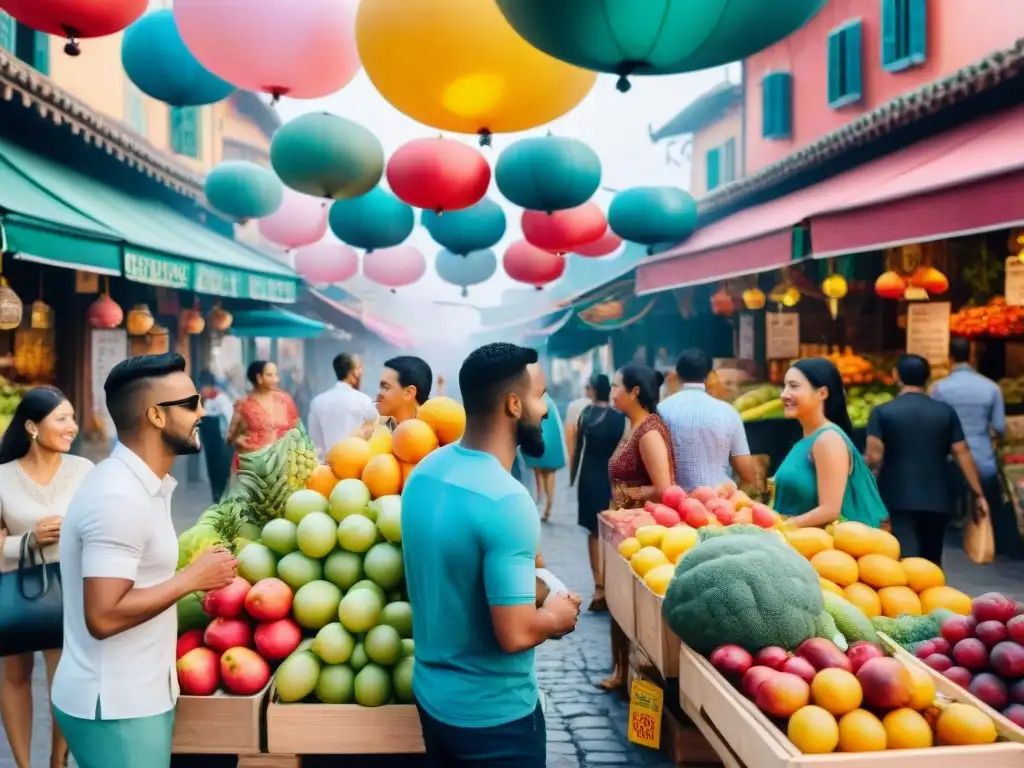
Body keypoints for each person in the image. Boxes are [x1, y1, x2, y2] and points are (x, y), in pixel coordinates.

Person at [52, 353, 238, 768]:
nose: (202, 413)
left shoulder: (139, 486)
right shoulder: (118, 497)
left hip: (133, 697)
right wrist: (192, 578)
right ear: (155, 415)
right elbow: (102, 615)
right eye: (190, 404)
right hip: (117, 705)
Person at [401, 342, 581, 767]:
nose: (546, 408)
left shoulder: (425, 471)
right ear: (514, 404)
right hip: (494, 721)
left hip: (431, 699)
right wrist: (558, 616)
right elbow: (515, 633)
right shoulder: (506, 500)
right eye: (540, 395)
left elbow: (459, 572)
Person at [0, 387, 93, 768]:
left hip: (68, 586)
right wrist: (28, 541)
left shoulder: (84, 470)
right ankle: (23, 765)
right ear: (32, 427)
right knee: (15, 675)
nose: (72, 426)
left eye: (72, 418)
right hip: (15, 589)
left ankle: (58, 760)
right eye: (62, 419)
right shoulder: (2, 477)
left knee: (64, 681)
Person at [865, 354, 988, 566]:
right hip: (937, 496)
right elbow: (962, 452)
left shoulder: (882, 412)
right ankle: (933, 597)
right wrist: (978, 493)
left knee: (904, 560)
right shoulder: (945, 412)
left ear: (896, 376)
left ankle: (909, 598)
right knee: (932, 559)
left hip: (896, 495)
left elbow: (874, 456)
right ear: (928, 378)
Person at [602, 362, 676, 690]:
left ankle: (636, 681)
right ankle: (620, 671)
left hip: (643, 531)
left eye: (617, 386)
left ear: (634, 392)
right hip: (624, 525)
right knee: (618, 601)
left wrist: (624, 495)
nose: (612, 392)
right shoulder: (632, 426)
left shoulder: (648, 431)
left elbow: (664, 488)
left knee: (634, 607)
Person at [773, 358, 888, 530]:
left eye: (794, 386)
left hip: (821, 550)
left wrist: (779, 528)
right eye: (785, 386)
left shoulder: (828, 440)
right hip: (798, 545)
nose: (784, 394)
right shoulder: (806, 440)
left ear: (822, 393)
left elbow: (830, 510)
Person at [931, 337, 1018, 557]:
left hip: (950, 461)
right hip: (984, 461)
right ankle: (986, 541)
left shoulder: (940, 389)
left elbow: (937, 427)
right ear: (971, 356)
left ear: (950, 358)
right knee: (988, 501)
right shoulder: (991, 388)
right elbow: (999, 427)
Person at [658, 348, 759, 493]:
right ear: (710, 375)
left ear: (677, 374)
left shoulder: (661, 410)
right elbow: (747, 474)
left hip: (676, 505)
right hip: (719, 501)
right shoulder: (729, 412)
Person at [570, 373, 626, 613]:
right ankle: (613, 586)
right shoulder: (619, 418)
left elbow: (577, 451)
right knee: (613, 530)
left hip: (589, 477)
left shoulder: (585, 415)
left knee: (594, 532)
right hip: (613, 478)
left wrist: (573, 476)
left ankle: (599, 587)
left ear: (593, 390)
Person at [226, 361, 300, 466]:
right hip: (253, 468)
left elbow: (297, 430)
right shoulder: (243, 405)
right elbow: (230, 436)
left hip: (282, 467)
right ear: (259, 378)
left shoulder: (284, 400)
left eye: (276, 375)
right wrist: (237, 440)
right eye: (270, 375)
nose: (276, 380)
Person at [307, 353, 377, 459]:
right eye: (359, 368)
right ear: (352, 373)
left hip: (327, 469)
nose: (362, 373)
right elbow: (374, 437)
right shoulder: (365, 401)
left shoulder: (317, 402)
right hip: (357, 466)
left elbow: (315, 443)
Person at [521, 391, 568, 523]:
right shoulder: (550, 403)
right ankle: (548, 505)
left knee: (539, 472)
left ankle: (541, 502)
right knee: (549, 472)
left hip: (538, 441)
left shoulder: (532, 401)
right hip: (551, 443)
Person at [196, 370, 234, 503]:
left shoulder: (221, 398)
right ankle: (215, 496)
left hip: (220, 439)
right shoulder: (204, 400)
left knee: (221, 468)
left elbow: (230, 416)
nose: (202, 390)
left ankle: (222, 495)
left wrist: (230, 436)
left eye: (203, 388)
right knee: (211, 467)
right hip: (208, 440)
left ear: (210, 386)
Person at [377, 355, 432, 432]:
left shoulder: (433, 438)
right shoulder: (373, 431)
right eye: (381, 387)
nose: (379, 394)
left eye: (386, 387)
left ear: (409, 393)